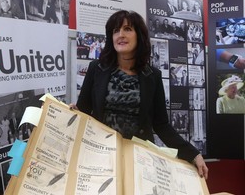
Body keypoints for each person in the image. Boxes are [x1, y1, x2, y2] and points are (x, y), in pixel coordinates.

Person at [70, 10, 208, 179]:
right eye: (115, 30)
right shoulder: (96, 69)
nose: (120, 35)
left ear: (139, 36)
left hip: (138, 156)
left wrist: (193, 153)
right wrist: (72, 111)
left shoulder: (152, 76)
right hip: (101, 153)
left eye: (127, 29)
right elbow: (83, 111)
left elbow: (162, 125)